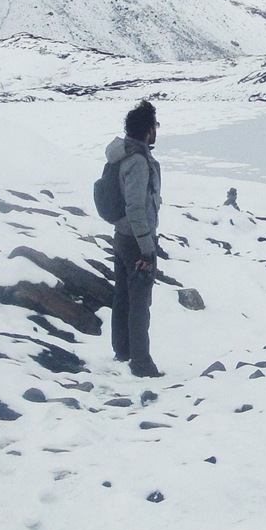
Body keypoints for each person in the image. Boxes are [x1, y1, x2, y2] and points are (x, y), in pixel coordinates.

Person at [105, 100, 164, 378]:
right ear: (147, 130)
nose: (157, 131)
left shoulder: (122, 156)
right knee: (140, 302)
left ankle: (123, 351)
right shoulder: (138, 162)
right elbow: (136, 207)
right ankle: (141, 364)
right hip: (136, 241)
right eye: (155, 125)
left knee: (123, 296)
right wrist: (147, 246)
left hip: (121, 236)